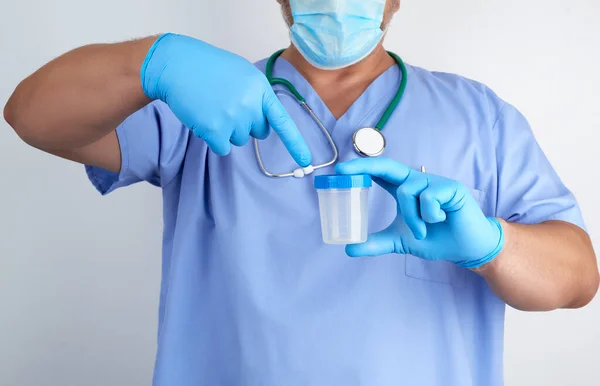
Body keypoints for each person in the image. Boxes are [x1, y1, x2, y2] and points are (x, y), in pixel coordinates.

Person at [4, 0, 598, 385]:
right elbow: (32, 116)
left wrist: (492, 246)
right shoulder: (201, 101)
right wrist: (151, 61)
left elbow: (577, 279)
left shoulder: (479, 117)